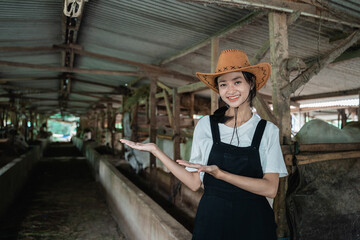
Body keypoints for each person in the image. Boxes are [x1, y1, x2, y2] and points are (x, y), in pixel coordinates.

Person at [120, 49, 288, 240]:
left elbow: (270, 189)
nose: (230, 90)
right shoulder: (206, 126)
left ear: (251, 83)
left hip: (254, 224)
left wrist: (220, 174)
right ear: (218, 89)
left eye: (237, 82)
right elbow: (193, 183)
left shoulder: (268, 131)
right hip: (212, 220)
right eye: (223, 84)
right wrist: (156, 151)